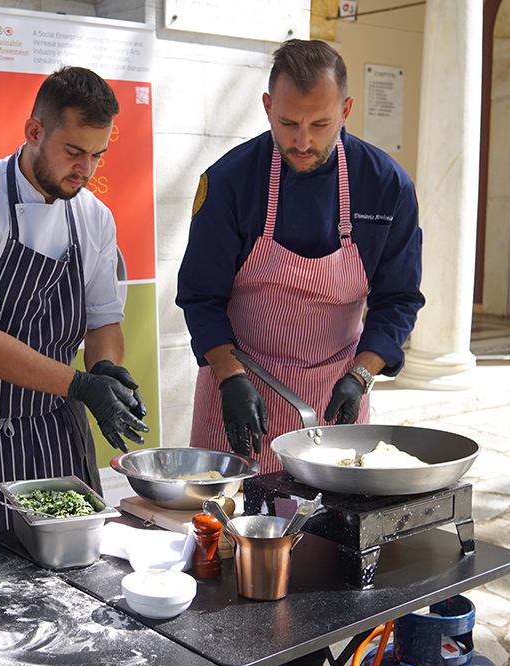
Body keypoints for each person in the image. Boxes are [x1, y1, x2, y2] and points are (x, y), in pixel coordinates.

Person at [0, 66, 149, 541]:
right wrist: (80, 384)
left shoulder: (95, 217)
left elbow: (103, 322)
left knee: (70, 581)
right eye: (73, 152)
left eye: (97, 155)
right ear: (34, 131)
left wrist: (104, 370)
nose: (85, 170)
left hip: (55, 432)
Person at [177, 39, 424, 471]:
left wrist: (361, 376)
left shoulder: (387, 187)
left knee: (328, 531)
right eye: (288, 123)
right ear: (268, 106)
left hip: (336, 393)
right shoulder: (229, 182)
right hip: (236, 390)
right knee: (229, 530)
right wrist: (230, 378)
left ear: (346, 110)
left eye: (321, 124)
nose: (303, 141)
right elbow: (201, 296)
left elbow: (399, 299)